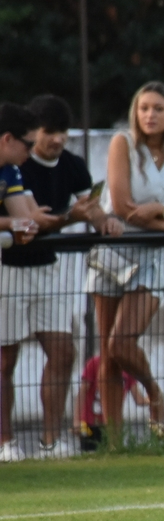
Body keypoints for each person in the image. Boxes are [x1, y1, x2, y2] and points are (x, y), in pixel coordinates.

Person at [1, 95, 125, 461]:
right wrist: (61, 218)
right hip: (8, 270)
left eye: (63, 132)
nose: (57, 139)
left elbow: (40, 218)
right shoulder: (20, 166)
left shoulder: (24, 170)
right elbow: (32, 220)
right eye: (47, 132)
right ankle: (5, 443)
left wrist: (103, 221)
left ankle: (50, 442)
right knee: (5, 360)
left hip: (48, 270)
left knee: (62, 352)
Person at [89, 81, 164, 446]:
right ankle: (114, 444)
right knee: (107, 354)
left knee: (122, 342)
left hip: (154, 256)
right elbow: (122, 207)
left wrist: (160, 211)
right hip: (114, 250)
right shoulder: (123, 145)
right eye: (143, 108)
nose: (150, 115)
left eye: (158, 108)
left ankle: (154, 393)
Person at [0, 102, 41, 462]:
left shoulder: (11, 171)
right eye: (28, 144)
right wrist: (11, 225)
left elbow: (24, 217)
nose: (32, 151)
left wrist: (23, 226)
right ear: (7, 139)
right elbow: (13, 222)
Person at [74, 354, 148, 452]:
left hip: (112, 425)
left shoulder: (128, 370)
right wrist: (76, 420)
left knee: (112, 453)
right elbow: (82, 392)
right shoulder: (94, 363)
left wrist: (155, 399)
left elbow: (139, 399)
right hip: (91, 423)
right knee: (90, 455)